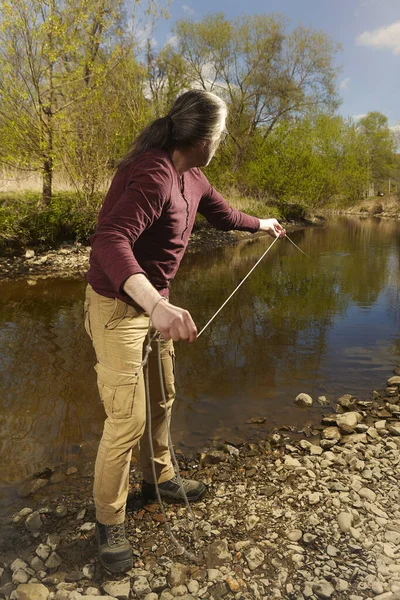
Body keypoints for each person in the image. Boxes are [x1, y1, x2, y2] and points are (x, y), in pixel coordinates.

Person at [84, 89, 286, 573]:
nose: (222, 139)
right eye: (223, 132)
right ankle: (108, 520)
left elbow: (223, 213)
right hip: (118, 306)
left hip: (154, 306)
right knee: (126, 419)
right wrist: (155, 305)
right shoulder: (153, 174)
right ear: (206, 136)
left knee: (162, 397)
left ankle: (158, 480)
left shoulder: (193, 175)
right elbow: (110, 240)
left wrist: (263, 223)